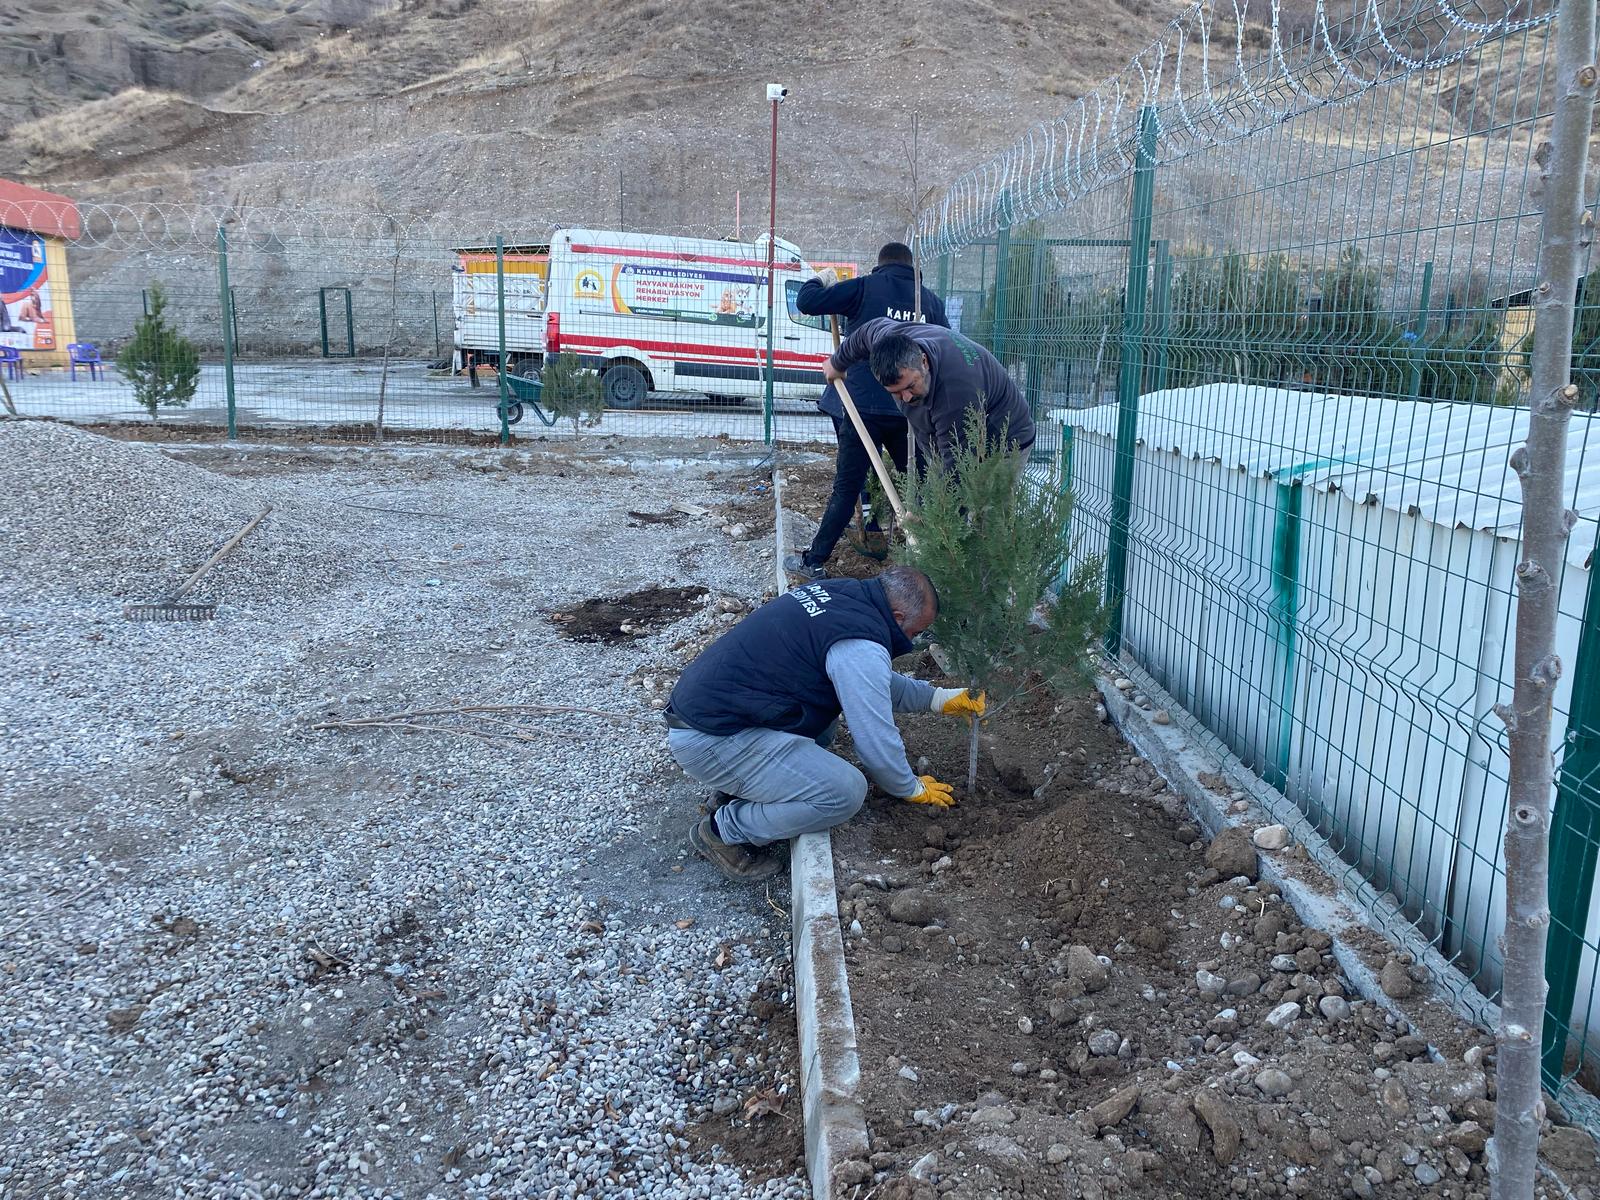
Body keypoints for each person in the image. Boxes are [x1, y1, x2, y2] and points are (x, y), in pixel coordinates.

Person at [663, 565, 985, 880]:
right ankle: (723, 831)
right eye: (915, 633)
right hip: (710, 741)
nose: (913, 640)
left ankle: (742, 790)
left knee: (824, 722)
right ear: (898, 618)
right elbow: (874, 740)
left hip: (716, 715)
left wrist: (938, 698)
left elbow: (872, 681)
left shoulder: (845, 595)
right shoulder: (860, 646)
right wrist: (908, 786)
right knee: (843, 792)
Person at [782, 244, 948, 581]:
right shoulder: (928, 300)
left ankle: (814, 560)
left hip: (862, 411)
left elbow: (807, 302)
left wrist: (819, 280)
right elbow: (944, 344)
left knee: (847, 487)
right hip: (909, 414)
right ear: (911, 267)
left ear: (880, 265)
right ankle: (930, 562)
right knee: (917, 485)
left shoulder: (864, 288)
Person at [825, 318, 1036, 478]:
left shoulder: (955, 394)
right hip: (957, 430)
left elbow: (956, 474)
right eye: (895, 393)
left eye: (910, 386)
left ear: (924, 362)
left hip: (1007, 436)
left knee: (987, 514)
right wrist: (837, 363)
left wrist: (931, 519)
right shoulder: (890, 340)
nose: (905, 398)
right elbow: (864, 333)